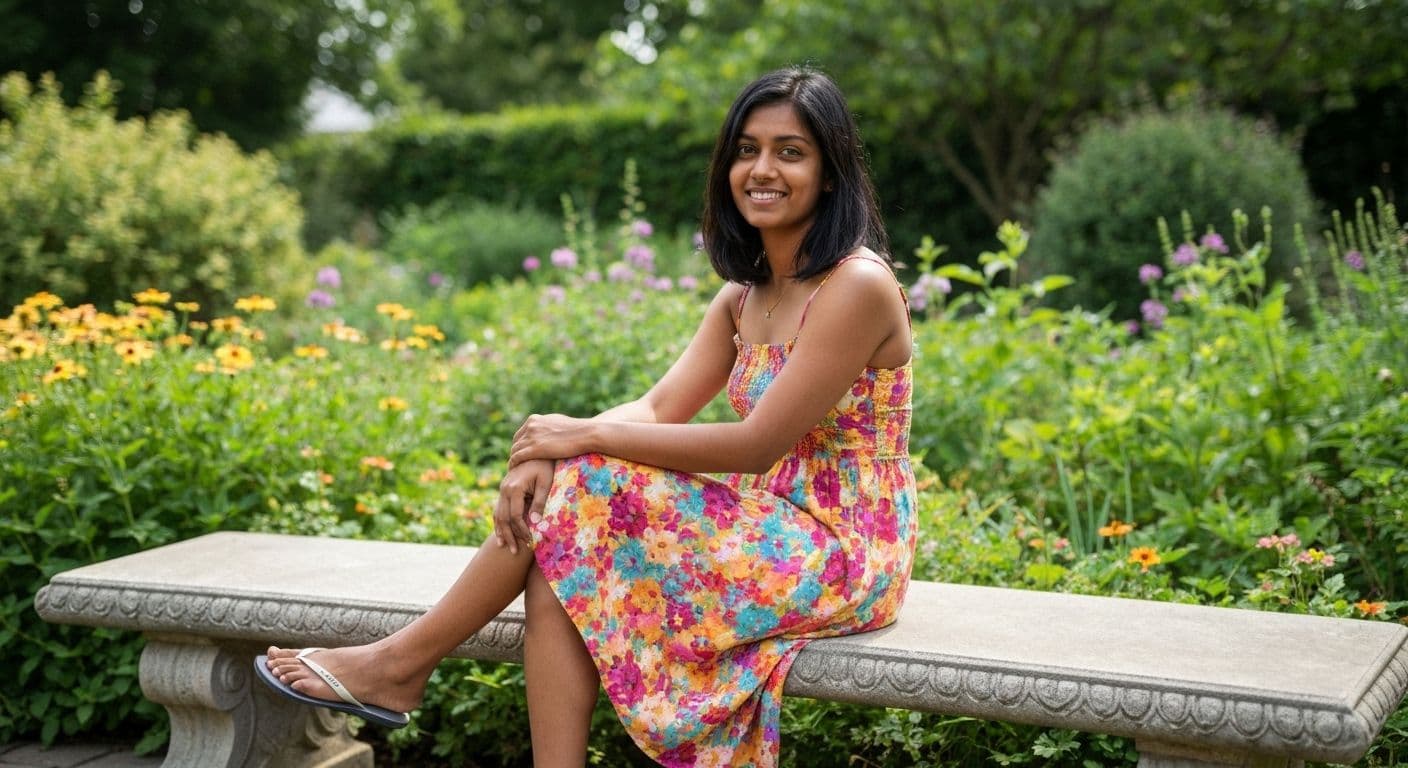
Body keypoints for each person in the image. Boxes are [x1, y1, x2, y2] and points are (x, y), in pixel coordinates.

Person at [258, 66, 917, 768]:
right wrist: (549, 452)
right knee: (562, 534)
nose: (762, 169)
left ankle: (401, 664)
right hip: (775, 527)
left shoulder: (857, 285)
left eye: (791, 151)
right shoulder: (744, 295)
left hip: (845, 549)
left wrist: (581, 437)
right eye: (746, 149)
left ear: (829, 171)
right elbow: (661, 406)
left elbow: (757, 444)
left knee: (580, 490)